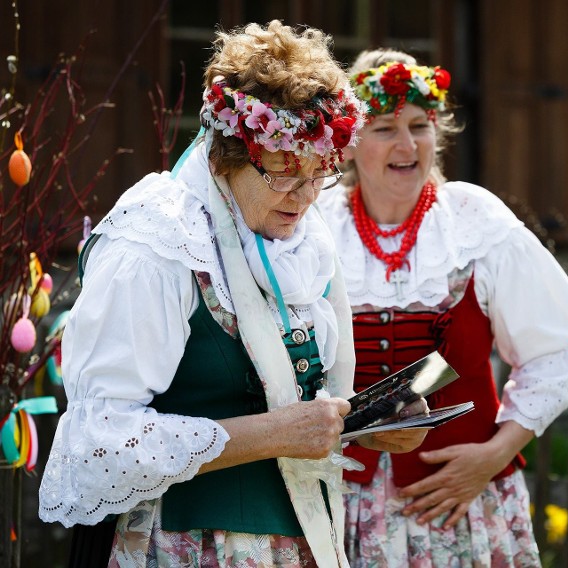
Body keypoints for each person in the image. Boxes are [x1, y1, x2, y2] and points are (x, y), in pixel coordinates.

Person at [38, 23, 426, 568]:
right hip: (186, 545)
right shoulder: (157, 243)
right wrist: (272, 434)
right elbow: (100, 440)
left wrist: (360, 426)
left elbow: (288, 393)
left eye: (319, 174)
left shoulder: (302, 241)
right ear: (225, 155)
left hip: (299, 542)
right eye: (283, 174)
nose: (305, 196)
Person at [316, 49, 568, 567]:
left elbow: (553, 358)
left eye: (419, 125)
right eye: (383, 128)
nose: (407, 144)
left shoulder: (474, 222)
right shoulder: (316, 227)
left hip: (459, 510)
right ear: (349, 143)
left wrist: (494, 456)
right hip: (335, 507)